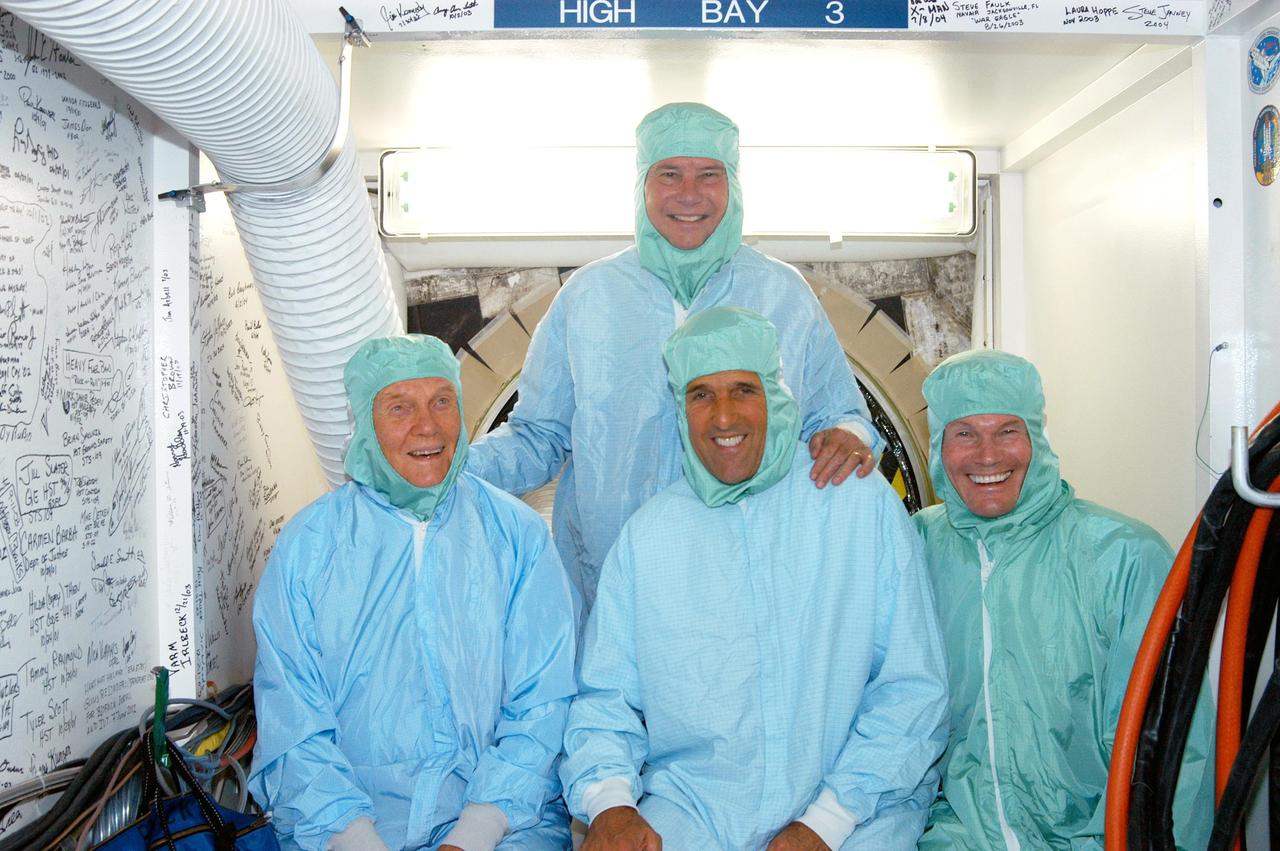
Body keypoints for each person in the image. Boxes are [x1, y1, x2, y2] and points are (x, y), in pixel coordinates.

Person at [468, 102, 882, 617]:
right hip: (613, 588)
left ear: (733, 185)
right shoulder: (587, 297)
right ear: (642, 186)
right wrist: (452, 468)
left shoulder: (784, 295)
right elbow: (538, 437)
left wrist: (849, 437)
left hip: (751, 587)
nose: (689, 193)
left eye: (709, 174)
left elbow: (840, 417)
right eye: (669, 174)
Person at [560, 307, 948, 851]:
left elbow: (913, 688)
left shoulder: (855, 505)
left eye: (743, 389)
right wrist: (611, 803)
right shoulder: (649, 538)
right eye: (701, 394)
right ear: (680, 408)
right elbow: (604, 698)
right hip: (698, 806)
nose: (723, 416)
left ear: (777, 395)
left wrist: (826, 822)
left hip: (856, 807)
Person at [248, 335, 577, 851]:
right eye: (399, 407)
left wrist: (473, 834)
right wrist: (357, 839)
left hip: (505, 826)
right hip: (344, 830)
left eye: (442, 401)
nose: (427, 426)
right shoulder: (308, 548)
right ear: (365, 423)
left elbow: (543, 703)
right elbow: (294, 720)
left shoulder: (516, 535)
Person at [913, 349, 1214, 850]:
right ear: (938, 447)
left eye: (1008, 430)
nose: (988, 456)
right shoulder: (917, 548)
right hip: (957, 836)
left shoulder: (1121, 555)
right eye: (964, 433)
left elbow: (1179, 749)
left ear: (1038, 437)